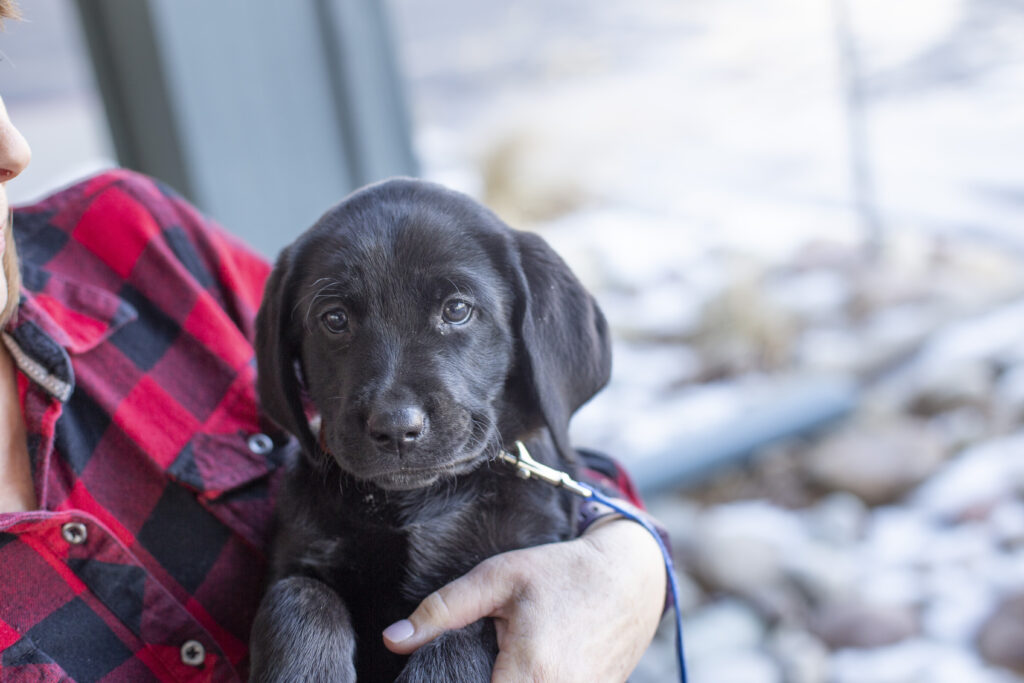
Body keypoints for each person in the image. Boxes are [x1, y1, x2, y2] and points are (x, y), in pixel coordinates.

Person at [0, 2, 666, 680]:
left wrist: (629, 565)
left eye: (456, 311)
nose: (13, 149)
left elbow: (589, 499)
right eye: (338, 322)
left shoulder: (130, 241)